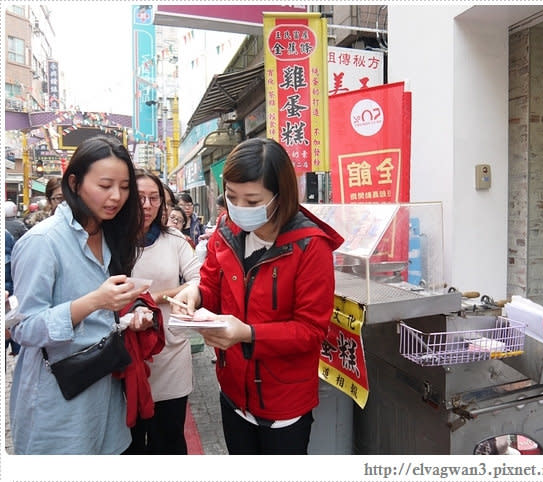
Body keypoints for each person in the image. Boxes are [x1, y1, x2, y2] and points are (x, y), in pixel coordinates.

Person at [172, 138, 344, 454]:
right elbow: (211, 285)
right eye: (232, 198)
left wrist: (247, 334)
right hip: (233, 391)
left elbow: (310, 331)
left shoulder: (310, 248)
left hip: (283, 405)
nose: (239, 210)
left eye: (252, 201)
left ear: (280, 196)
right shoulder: (226, 230)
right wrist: (194, 294)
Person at [9, 135, 152, 454]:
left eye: (124, 186)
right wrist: (94, 302)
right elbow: (22, 328)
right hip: (57, 403)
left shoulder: (110, 235)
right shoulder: (42, 242)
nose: (116, 196)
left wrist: (131, 313)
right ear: (74, 183)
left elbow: (107, 314)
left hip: (105, 397)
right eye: (105, 185)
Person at [124, 169, 201, 455]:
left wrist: (152, 299)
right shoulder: (111, 240)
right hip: (127, 354)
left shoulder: (175, 241)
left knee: (168, 438)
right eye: (139, 197)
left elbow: (197, 280)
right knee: (129, 442)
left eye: (153, 198)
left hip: (170, 350)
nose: (146, 204)